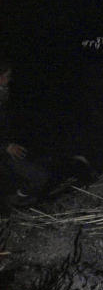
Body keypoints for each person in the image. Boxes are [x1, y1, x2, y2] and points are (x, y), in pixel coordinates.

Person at [0, 59, 50, 205]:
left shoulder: (5, 95)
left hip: (9, 147)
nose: (9, 80)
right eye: (7, 76)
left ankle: (20, 199)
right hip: (5, 151)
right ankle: (14, 202)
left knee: (40, 173)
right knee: (39, 176)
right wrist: (6, 147)